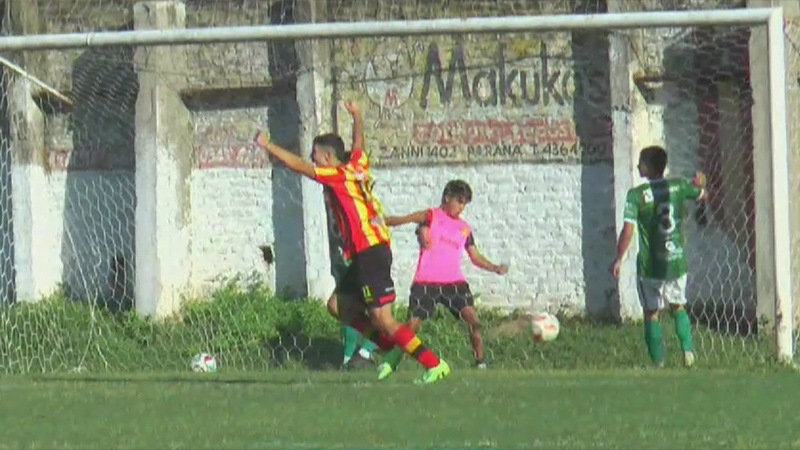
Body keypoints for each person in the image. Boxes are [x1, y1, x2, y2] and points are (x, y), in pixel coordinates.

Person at [253, 101, 450, 384]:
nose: (313, 160)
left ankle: (434, 364)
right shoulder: (358, 164)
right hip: (365, 252)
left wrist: (268, 145)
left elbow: (297, 166)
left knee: (382, 317)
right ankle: (389, 346)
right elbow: (359, 143)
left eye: (315, 156)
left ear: (328, 157)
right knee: (337, 306)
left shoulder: (336, 176)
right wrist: (357, 115)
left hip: (371, 251)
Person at [376, 180, 508, 380]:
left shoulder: (464, 228)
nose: (461, 207)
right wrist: (380, 221)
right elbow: (405, 219)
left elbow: (475, 256)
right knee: (411, 326)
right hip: (426, 282)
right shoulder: (431, 216)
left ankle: (480, 363)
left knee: (473, 321)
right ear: (447, 198)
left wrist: (494, 267)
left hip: (454, 283)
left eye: (465, 204)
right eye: (459, 201)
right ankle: (391, 361)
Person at [609, 145, 706, 368]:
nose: (637, 166)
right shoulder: (678, 186)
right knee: (677, 306)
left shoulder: (636, 196)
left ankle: (658, 362)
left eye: (641, 163)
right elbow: (702, 194)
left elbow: (628, 230)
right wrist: (700, 186)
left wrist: (619, 258)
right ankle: (688, 353)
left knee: (651, 313)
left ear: (648, 167)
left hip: (651, 266)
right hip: (676, 261)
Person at [325, 204, 377, 369]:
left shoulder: (360, 210)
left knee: (370, 312)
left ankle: (359, 355)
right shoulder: (335, 209)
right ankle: (355, 356)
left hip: (363, 266)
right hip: (346, 265)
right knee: (342, 308)